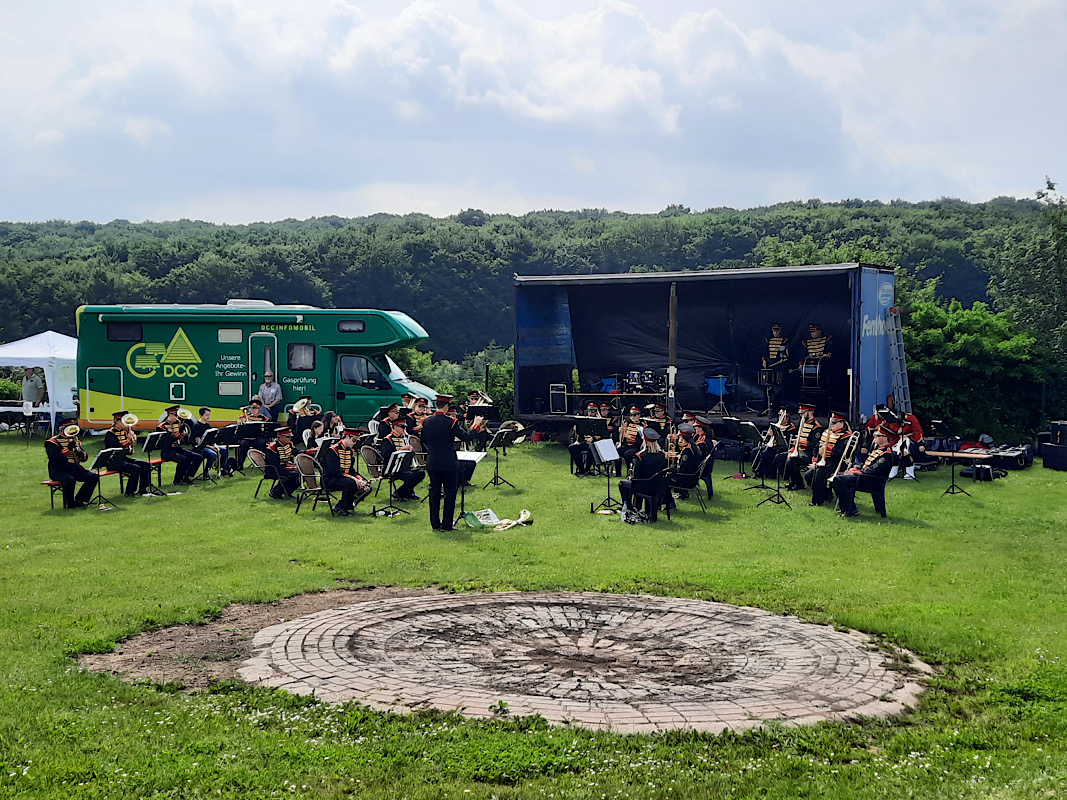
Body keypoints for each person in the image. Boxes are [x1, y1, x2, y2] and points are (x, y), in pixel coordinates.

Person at [419, 394, 483, 532]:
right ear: (447, 407)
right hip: (448, 462)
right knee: (450, 493)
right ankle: (447, 524)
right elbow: (465, 437)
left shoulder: (426, 421)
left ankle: (435, 524)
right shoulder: (451, 422)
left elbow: (423, 440)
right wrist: (475, 426)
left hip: (433, 462)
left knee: (434, 492)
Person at [832, 426, 893, 518]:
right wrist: (855, 469)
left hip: (871, 481)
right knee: (836, 476)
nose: (874, 437)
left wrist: (855, 473)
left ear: (884, 438)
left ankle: (850, 510)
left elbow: (872, 471)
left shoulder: (886, 455)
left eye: (877, 436)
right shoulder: (878, 450)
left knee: (838, 480)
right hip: (864, 478)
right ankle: (847, 508)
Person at [319, 428, 373, 516]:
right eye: (353, 440)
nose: (354, 443)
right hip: (330, 479)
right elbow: (334, 472)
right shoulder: (332, 451)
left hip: (343, 478)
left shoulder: (350, 451)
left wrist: (360, 479)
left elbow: (351, 470)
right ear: (347, 437)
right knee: (350, 483)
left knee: (368, 486)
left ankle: (344, 505)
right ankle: (343, 508)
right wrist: (354, 479)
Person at [804, 412, 852, 507]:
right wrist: (815, 460)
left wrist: (829, 450)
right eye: (831, 423)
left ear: (842, 423)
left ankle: (817, 500)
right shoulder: (826, 432)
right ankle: (826, 494)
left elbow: (841, 453)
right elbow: (817, 447)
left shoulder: (846, 436)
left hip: (836, 462)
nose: (832, 425)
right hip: (823, 460)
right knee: (808, 475)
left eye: (834, 423)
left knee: (819, 475)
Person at [45, 423, 98, 508]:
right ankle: (70, 503)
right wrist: (67, 450)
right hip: (58, 470)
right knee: (69, 479)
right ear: (62, 429)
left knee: (93, 476)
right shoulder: (52, 442)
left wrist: (80, 453)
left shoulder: (74, 440)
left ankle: (80, 499)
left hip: (73, 468)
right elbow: (54, 458)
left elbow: (85, 458)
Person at [618, 428, 667, 515]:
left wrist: (631, 477)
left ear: (645, 442)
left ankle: (629, 507)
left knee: (622, 484)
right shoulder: (662, 455)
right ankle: (640, 507)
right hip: (657, 486)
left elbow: (637, 475)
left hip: (643, 486)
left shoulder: (641, 456)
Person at [104, 411, 154, 497]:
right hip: (113, 461)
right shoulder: (110, 434)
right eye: (123, 421)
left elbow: (128, 450)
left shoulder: (124, 431)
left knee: (145, 465)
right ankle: (130, 492)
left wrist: (131, 444)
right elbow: (117, 448)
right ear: (117, 421)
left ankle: (143, 489)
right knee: (135, 468)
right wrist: (128, 440)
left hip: (123, 459)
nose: (126, 424)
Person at [377, 417, 426, 501]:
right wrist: (401, 450)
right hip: (392, 469)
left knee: (421, 473)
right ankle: (401, 493)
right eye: (402, 427)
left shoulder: (404, 438)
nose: (404, 429)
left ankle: (404, 493)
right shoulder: (388, 440)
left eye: (405, 427)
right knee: (410, 476)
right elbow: (386, 456)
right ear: (395, 427)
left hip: (404, 467)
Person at [779, 403, 822, 491]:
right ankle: (792, 482)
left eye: (803, 413)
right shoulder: (802, 423)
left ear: (810, 412)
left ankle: (800, 484)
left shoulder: (816, 427)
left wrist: (803, 443)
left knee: (792, 462)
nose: (801, 415)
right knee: (780, 457)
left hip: (808, 453)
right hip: (799, 450)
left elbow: (815, 445)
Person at [158, 405, 204, 485]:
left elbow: (185, 442)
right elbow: (164, 442)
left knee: (198, 457)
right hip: (167, 451)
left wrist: (185, 436)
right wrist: (176, 436)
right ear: (169, 414)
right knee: (183, 459)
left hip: (177, 449)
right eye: (175, 415)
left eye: (177, 415)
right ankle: (177, 480)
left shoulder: (179, 425)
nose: (177, 417)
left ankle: (187, 476)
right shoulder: (161, 427)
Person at [264, 427, 300, 500]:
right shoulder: (272, 448)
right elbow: (275, 465)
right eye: (288, 437)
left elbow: (296, 451)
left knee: (303, 473)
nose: (290, 439)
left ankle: (288, 491)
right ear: (280, 436)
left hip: (284, 468)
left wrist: (309, 451)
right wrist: (292, 468)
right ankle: (275, 492)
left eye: (290, 437)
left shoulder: (289, 444)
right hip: (273, 470)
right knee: (294, 474)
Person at [191, 407, 222, 476]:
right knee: (212, 454)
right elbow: (198, 442)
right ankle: (207, 471)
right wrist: (210, 447)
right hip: (201, 447)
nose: (208, 416)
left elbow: (212, 438)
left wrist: (215, 445)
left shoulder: (208, 425)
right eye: (206, 415)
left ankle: (222, 469)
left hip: (209, 445)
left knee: (225, 450)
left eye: (209, 415)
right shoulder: (196, 426)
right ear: (201, 415)